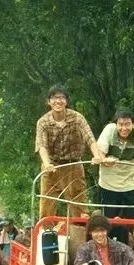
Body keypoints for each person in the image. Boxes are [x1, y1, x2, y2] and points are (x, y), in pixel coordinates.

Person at [35, 84, 103, 219]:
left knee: (78, 208)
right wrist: (47, 164)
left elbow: (89, 138)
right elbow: (41, 146)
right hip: (52, 167)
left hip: (73, 166)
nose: (58, 101)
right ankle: (45, 234)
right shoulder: (43, 122)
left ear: (66, 101)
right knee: (46, 206)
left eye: (62, 97)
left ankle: (79, 233)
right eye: (54, 98)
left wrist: (97, 155)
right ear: (48, 102)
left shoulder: (77, 118)